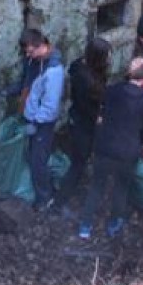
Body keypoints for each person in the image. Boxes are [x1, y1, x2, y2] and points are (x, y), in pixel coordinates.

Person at [78, 57, 143, 240]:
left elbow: (101, 115)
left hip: (105, 147)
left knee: (97, 186)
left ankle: (85, 226)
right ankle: (113, 224)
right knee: (121, 188)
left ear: (128, 74)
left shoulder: (112, 91)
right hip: (127, 152)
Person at [55, 37, 112, 208]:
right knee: (78, 164)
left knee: (79, 157)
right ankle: (60, 200)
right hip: (84, 124)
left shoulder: (78, 65)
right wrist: (99, 118)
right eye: (106, 56)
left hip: (77, 118)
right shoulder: (89, 84)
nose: (109, 59)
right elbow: (90, 107)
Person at [22, 30, 65, 212]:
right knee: (36, 156)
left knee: (38, 161)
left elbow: (50, 105)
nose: (27, 55)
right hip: (35, 119)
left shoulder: (54, 71)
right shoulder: (39, 61)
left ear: (41, 46)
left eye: (30, 51)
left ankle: (45, 198)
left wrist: (35, 121)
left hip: (42, 124)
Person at [0, 28, 43, 114]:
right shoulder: (30, 60)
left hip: (37, 112)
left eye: (30, 51)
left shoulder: (49, 68)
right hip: (28, 108)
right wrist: (9, 90)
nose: (27, 54)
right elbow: (26, 81)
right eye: (25, 52)